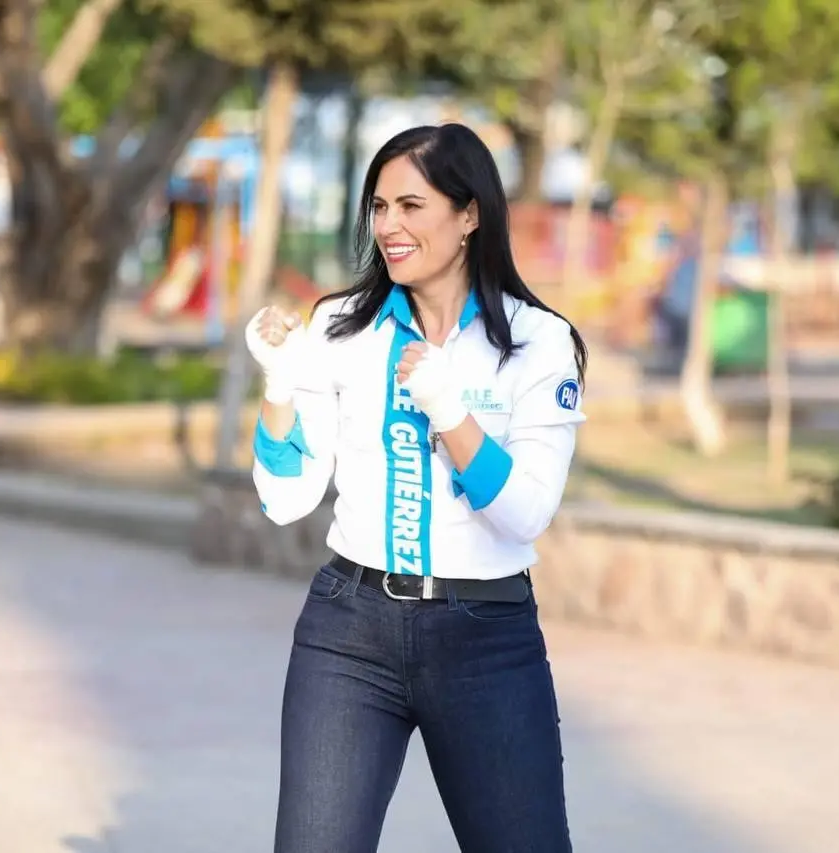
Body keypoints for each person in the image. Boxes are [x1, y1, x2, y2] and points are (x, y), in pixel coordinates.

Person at [247, 124, 588, 852]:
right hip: (348, 630)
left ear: (469, 215)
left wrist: (450, 412)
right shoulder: (342, 327)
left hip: (484, 636)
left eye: (411, 205)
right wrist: (279, 383)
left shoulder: (536, 342)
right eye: (378, 207)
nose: (389, 227)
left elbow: (526, 511)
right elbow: (285, 498)